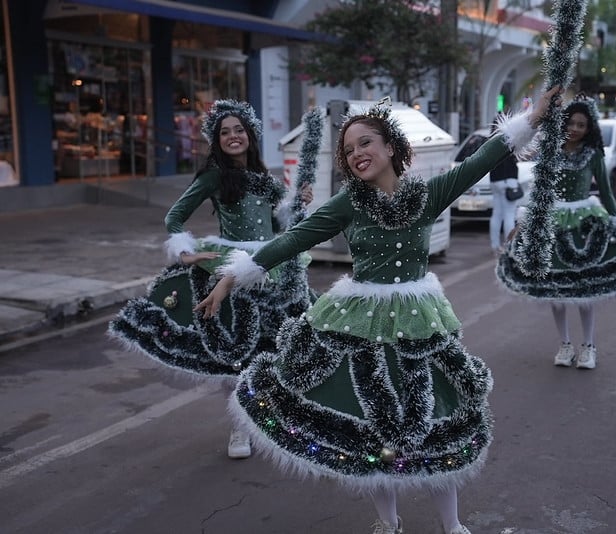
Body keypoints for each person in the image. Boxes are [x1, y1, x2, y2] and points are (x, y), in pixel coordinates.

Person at [194, 88, 560, 534]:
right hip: (358, 324)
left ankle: (453, 526)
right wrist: (233, 276)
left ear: (390, 147)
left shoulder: (428, 195)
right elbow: (295, 238)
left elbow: (480, 161)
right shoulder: (348, 204)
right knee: (373, 432)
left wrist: (533, 117)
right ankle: (387, 523)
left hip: (419, 324)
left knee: (434, 421)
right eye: (348, 150)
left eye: (365, 142)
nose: (356, 154)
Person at [108, 99, 315, 459]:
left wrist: (300, 203)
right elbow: (175, 217)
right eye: (224, 132)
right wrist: (185, 251)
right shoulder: (214, 176)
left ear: (250, 134)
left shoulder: (265, 178)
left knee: (271, 350)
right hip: (231, 271)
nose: (233, 137)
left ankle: (263, 420)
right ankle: (239, 428)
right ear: (216, 140)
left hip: (268, 269)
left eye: (238, 130)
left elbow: (280, 226)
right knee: (235, 356)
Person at [496, 94, 616, 370]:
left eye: (581, 125)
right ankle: (565, 344)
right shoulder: (551, 151)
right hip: (552, 225)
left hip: (585, 223)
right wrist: (522, 224)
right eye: (570, 123)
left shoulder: (593, 155)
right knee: (555, 289)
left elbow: (607, 194)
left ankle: (589, 346)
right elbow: (540, 192)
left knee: (585, 289)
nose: (574, 128)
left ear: (589, 128)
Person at [489, 116, 522, 255]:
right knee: (509, 214)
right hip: (509, 180)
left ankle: (495, 245)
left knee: (496, 214)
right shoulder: (509, 139)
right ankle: (509, 246)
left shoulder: (490, 142)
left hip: (495, 180)